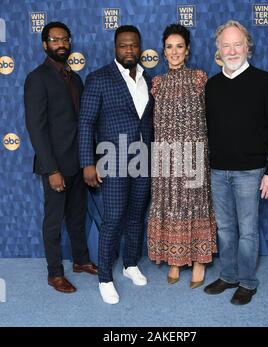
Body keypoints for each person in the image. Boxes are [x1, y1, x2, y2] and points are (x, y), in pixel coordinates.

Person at [204, 20, 268, 305]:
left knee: (248, 231)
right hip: (217, 172)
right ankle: (228, 276)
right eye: (226, 45)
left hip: (251, 173)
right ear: (218, 49)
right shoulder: (212, 86)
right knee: (225, 230)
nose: (232, 50)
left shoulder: (265, 81)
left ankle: (248, 281)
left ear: (247, 47)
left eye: (237, 44)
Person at [78, 25, 154, 304]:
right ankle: (105, 278)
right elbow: (86, 122)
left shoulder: (149, 78)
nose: (129, 50)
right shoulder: (98, 78)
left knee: (136, 216)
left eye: (134, 45)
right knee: (113, 219)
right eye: (123, 46)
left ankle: (131, 264)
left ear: (140, 46)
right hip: (112, 160)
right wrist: (88, 163)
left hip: (143, 159)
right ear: (115, 48)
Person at [24, 22, 97, 294]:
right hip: (55, 164)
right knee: (54, 221)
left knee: (77, 217)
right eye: (55, 40)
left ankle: (80, 261)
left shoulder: (74, 77)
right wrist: (51, 168)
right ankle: (55, 273)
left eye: (65, 39)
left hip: (77, 162)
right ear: (45, 45)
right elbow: (36, 127)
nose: (61, 43)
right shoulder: (37, 78)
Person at [147, 24, 217, 288]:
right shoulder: (157, 83)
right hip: (165, 157)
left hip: (194, 155)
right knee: (172, 205)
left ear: (187, 51)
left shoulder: (200, 78)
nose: (174, 52)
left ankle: (199, 260)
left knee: (195, 204)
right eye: (169, 47)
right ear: (163, 52)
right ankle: (175, 259)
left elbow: (212, 117)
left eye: (179, 46)